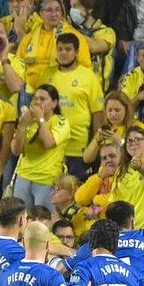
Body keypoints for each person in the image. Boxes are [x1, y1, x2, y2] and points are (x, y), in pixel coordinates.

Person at [42, 32, 105, 180]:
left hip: (78, 150)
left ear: (77, 52)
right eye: (60, 49)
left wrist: (94, 144)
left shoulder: (89, 76)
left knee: (74, 194)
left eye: (68, 49)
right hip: (51, 147)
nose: (63, 53)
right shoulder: (46, 74)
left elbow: (98, 113)